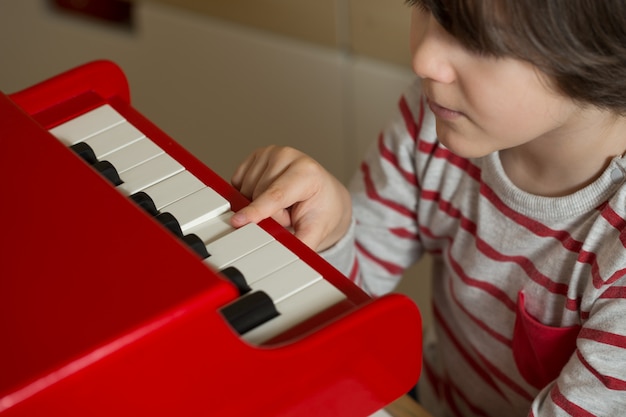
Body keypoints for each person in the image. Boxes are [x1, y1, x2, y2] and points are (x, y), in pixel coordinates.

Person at [229, 1, 626, 416]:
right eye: (424, 6)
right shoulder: (438, 121)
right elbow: (347, 310)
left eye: (477, 40)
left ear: (600, 53)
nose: (423, 60)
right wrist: (332, 226)